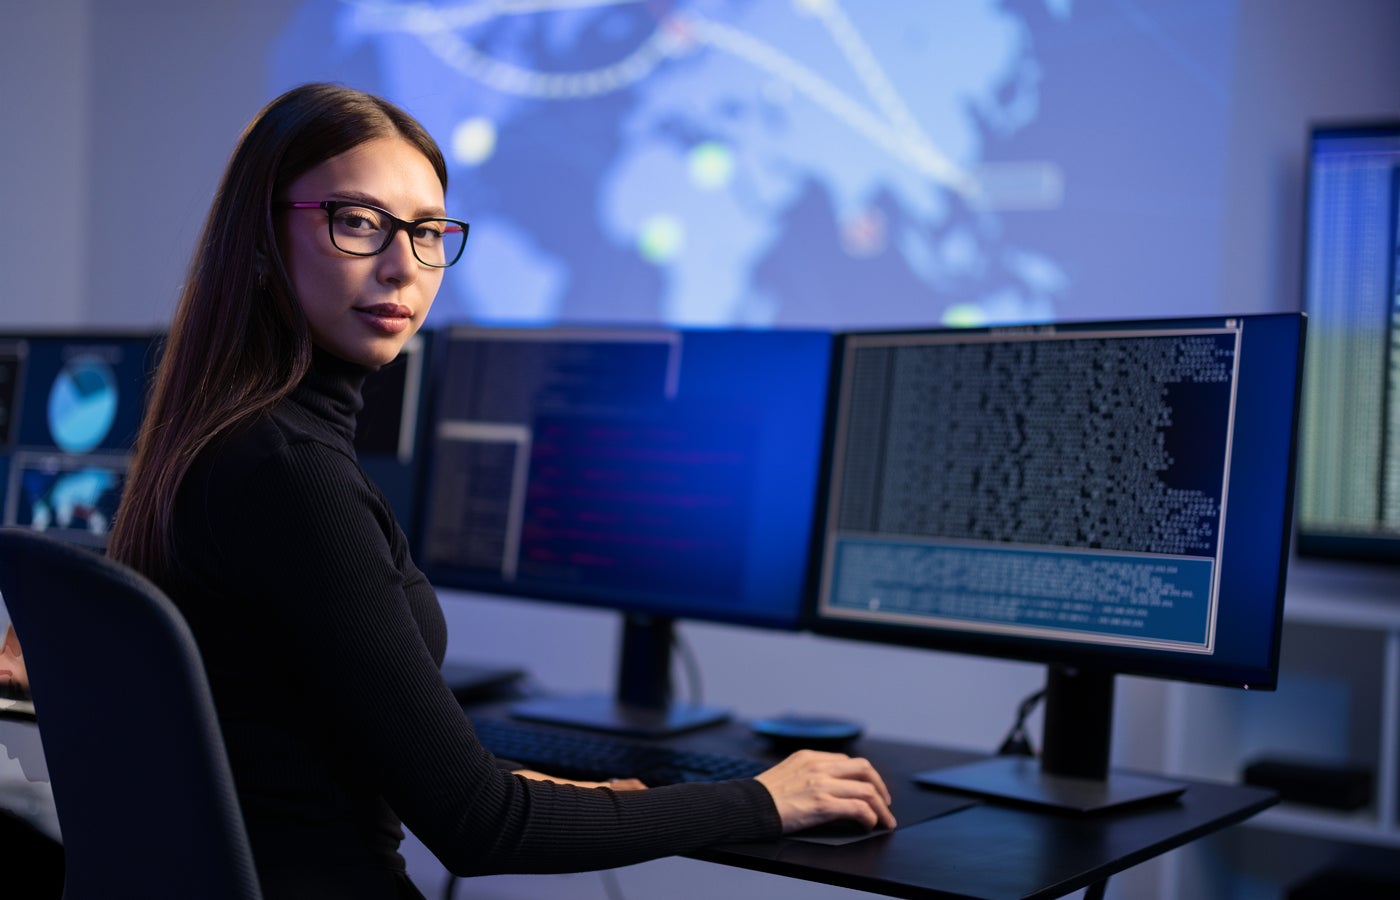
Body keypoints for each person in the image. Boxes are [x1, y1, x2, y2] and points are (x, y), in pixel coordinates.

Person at [107, 82, 893, 899]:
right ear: (262, 235)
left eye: (428, 232)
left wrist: (566, 797)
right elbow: (479, 827)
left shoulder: (219, 441)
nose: (401, 266)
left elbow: (324, 748)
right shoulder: (291, 478)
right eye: (358, 222)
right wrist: (763, 799)